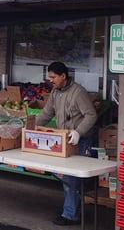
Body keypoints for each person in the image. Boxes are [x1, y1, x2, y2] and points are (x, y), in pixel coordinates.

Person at [35, 61, 98, 226]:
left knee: (72, 180)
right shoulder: (56, 92)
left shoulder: (78, 93)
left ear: (63, 76)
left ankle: (70, 215)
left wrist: (79, 132)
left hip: (80, 141)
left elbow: (91, 115)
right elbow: (47, 113)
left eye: (53, 77)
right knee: (67, 178)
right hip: (63, 140)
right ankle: (72, 210)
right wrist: (30, 125)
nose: (51, 80)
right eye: (49, 77)